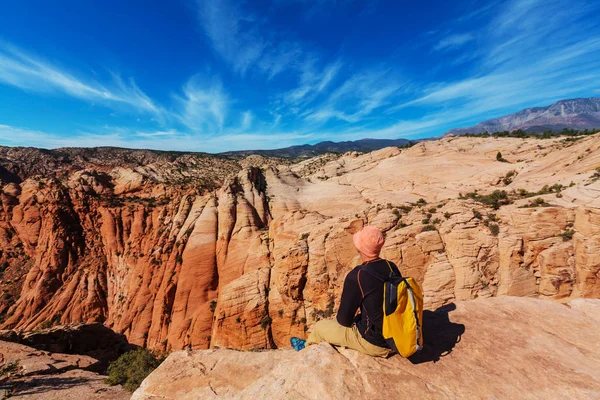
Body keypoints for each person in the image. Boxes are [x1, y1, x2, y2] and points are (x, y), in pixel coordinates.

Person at [290, 225, 400, 357]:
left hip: (376, 343)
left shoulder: (358, 275)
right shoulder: (391, 266)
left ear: (360, 247)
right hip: (398, 337)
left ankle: (305, 349)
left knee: (319, 327)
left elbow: (343, 320)